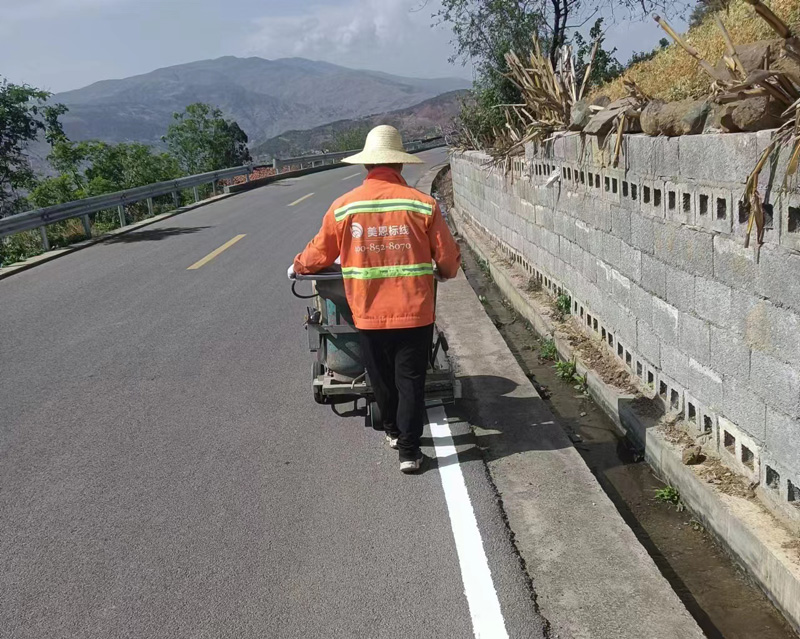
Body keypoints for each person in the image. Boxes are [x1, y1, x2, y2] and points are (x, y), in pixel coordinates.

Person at [288, 125, 461, 473]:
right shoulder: (422, 205)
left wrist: (298, 266)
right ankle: (410, 453)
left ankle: (395, 432)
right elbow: (447, 260)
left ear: (367, 166)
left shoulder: (344, 207)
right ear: (399, 165)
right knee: (410, 380)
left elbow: (320, 252)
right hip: (415, 313)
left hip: (367, 313)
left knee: (380, 377)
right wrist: (442, 270)